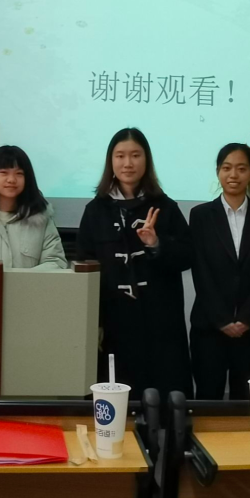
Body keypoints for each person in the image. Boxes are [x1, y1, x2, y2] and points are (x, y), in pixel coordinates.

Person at [76, 128, 193, 399]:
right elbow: (84, 266)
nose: (128, 163)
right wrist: (94, 321)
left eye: (135, 155)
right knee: (117, 398)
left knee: (163, 398)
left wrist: (156, 244)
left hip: (159, 322)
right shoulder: (95, 211)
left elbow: (187, 256)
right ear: (111, 161)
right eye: (120, 156)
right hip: (114, 322)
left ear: (146, 160)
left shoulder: (165, 207)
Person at [188, 144, 250, 400]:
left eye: (241, 168)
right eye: (227, 168)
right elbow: (201, 270)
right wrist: (222, 319)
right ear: (218, 171)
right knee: (207, 398)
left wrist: (248, 317)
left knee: (247, 404)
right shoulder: (201, 215)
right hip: (209, 327)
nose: (233, 175)